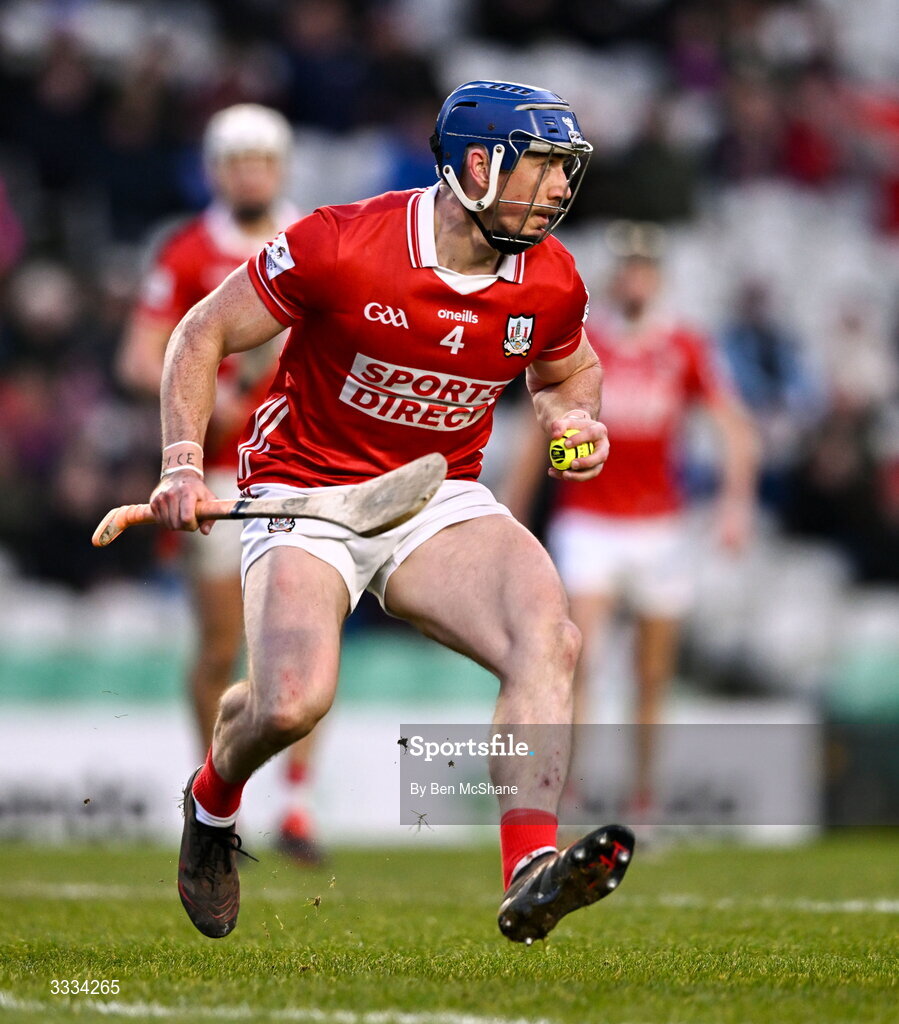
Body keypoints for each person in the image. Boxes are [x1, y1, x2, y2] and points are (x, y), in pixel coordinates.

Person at [148, 80, 635, 944]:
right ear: (476, 166)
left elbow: (567, 373)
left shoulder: (551, 277)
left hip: (434, 495)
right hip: (304, 491)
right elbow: (200, 332)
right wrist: (183, 461)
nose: (562, 187)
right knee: (291, 705)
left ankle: (527, 864)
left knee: (548, 637)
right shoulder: (342, 244)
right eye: (544, 166)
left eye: (568, 169)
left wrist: (572, 422)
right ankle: (213, 801)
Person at [118, 103, 325, 864]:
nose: (250, 175)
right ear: (216, 170)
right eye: (236, 162)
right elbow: (141, 356)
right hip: (213, 472)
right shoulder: (184, 251)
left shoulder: (315, 239)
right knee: (219, 646)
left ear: (281, 168)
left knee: (304, 643)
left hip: (302, 465)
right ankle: (210, 798)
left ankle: (297, 808)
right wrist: (213, 396)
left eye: (262, 161)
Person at [503, 226, 759, 823]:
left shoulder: (684, 347)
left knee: (651, 672)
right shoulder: (585, 342)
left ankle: (644, 799)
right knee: (581, 656)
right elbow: (537, 435)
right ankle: (569, 792)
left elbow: (735, 430)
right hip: (590, 518)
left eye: (645, 267)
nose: (636, 278)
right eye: (627, 267)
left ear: (659, 277)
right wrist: (515, 509)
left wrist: (735, 505)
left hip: (659, 525)